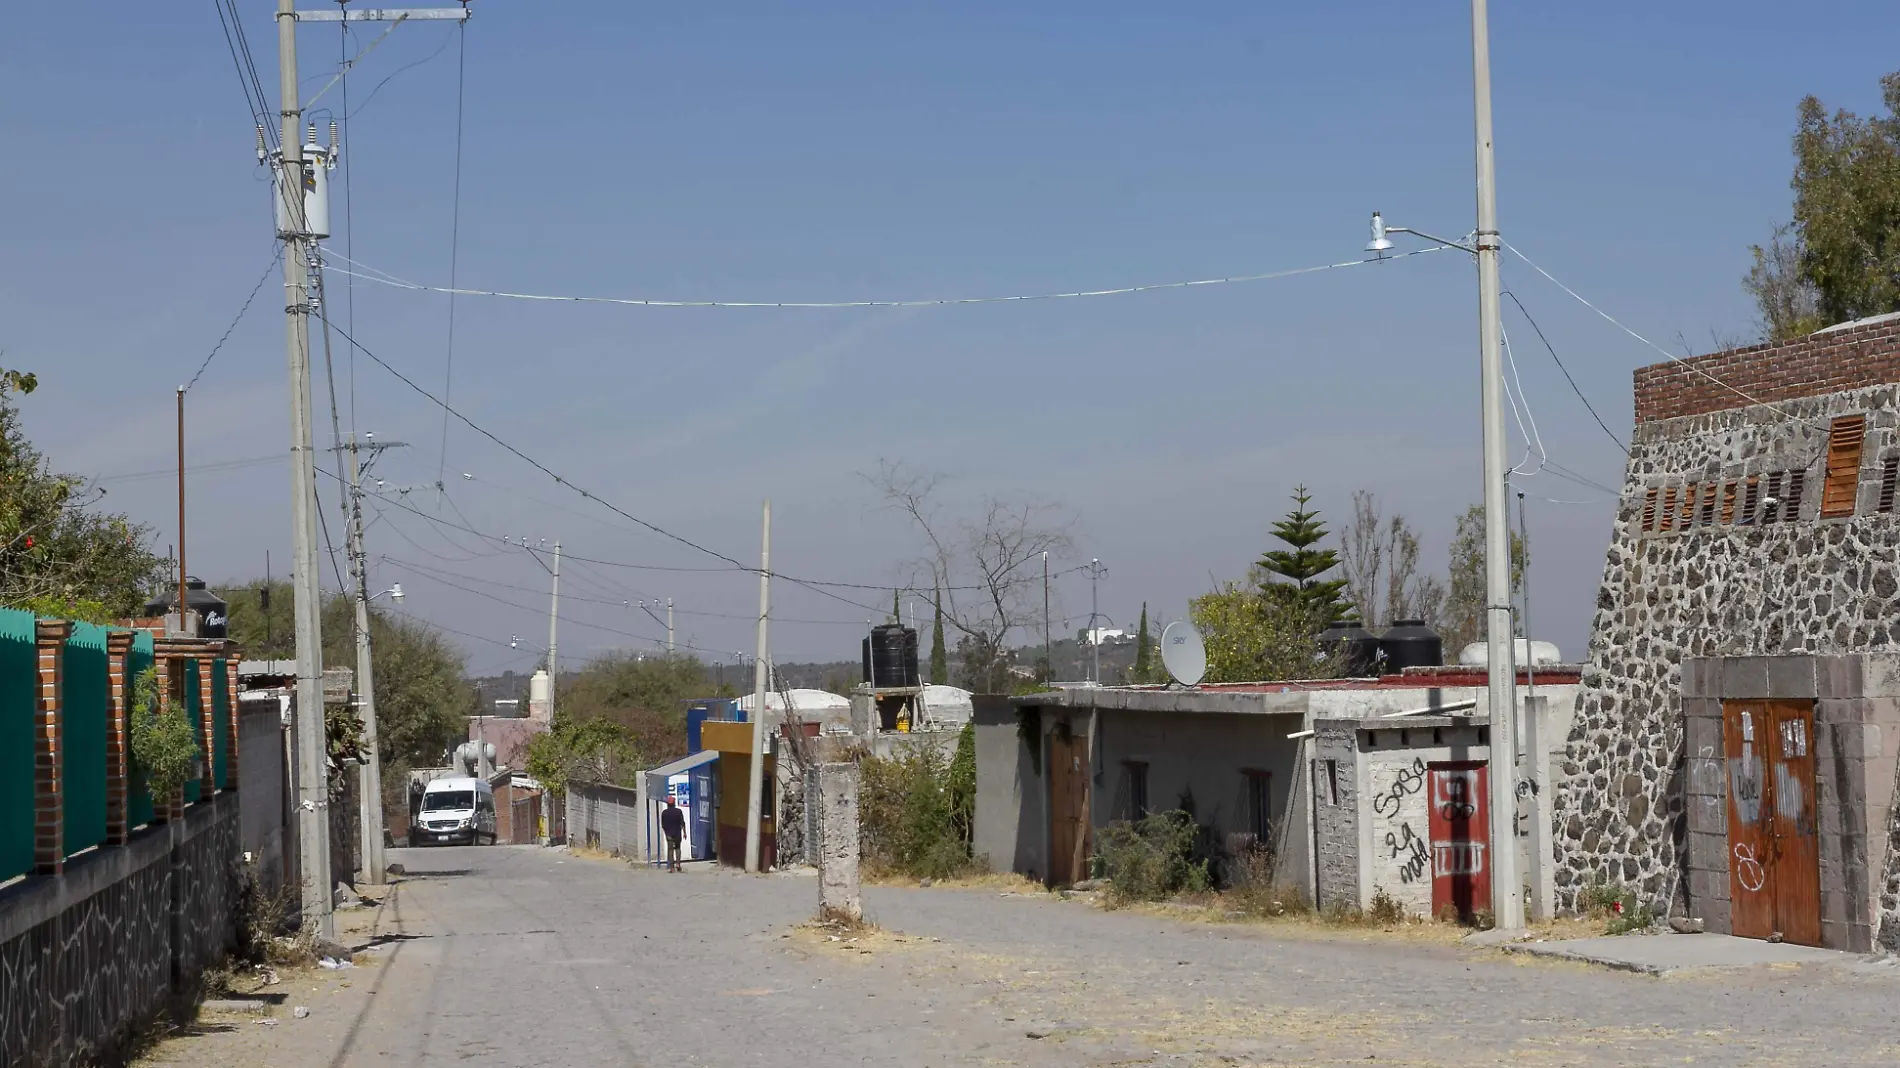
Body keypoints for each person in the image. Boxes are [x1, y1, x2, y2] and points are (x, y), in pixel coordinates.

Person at [660, 795, 686, 872]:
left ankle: (671, 867)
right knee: (678, 848)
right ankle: (678, 864)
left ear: (667, 804)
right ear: (674, 803)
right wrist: (684, 833)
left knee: (670, 850)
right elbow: (682, 823)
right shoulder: (678, 811)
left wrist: (666, 833)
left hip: (669, 834)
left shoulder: (664, 813)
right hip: (677, 833)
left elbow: (663, 825)